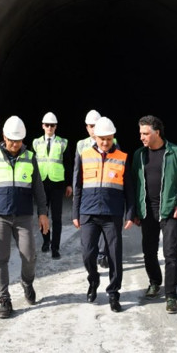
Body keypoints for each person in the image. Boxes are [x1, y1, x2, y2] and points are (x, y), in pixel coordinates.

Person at [0, 116, 49, 319]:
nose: (15, 144)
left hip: (23, 215)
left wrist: (43, 213)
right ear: (4, 137)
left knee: (29, 255)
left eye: (18, 141)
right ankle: (4, 299)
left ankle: (27, 282)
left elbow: (38, 188)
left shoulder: (30, 157)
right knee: (1, 258)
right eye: (11, 140)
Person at [72, 117, 135, 312]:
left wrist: (130, 213)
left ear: (113, 137)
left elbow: (129, 189)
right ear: (95, 137)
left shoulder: (122, 157)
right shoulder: (84, 154)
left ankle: (114, 293)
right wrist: (75, 212)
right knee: (87, 254)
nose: (105, 142)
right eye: (101, 139)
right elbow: (77, 185)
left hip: (112, 213)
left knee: (115, 255)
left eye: (108, 139)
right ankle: (93, 280)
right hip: (88, 212)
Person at [132, 115, 177, 314]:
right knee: (149, 252)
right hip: (147, 211)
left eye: (145, 133)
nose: (142, 137)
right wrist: (135, 210)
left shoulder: (175, 152)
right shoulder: (139, 155)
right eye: (140, 133)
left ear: (157, 132)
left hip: (169, 211)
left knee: (170, 253)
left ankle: (171, 295)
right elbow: (133, 185)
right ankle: (155, 282)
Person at [32, 111, 72, 258]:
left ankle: (55, 248)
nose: (49, 127)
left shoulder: (63, 143)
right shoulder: (36, 143)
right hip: (41, 184)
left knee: (57, 217)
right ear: (43, 126)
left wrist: (69, 184)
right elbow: (32, 165)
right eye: (47, 125)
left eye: (52, 125)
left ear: (56, 127)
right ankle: (45, 241)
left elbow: (68, 164)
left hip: (57, 184)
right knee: (43, 214)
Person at [75, 109, 109, 270]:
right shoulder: (81, 145)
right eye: (90, 126)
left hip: (106, 192)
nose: (93, 129)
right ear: (86, 127)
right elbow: (77, 174)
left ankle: (103, 253)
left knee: (106, 225)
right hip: (89, 193)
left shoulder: (111, 142)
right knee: (90, 230)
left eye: (96, 125)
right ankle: (94, 255)